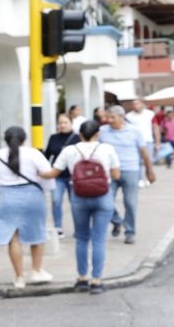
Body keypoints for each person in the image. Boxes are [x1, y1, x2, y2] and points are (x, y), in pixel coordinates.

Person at [39, 120, 120, 294]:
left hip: (79, 197)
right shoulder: (107, 149)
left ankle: (82, 279)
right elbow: (116, 174)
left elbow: (53, 173)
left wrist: (36, 172)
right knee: (99, 239)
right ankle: (96, 280)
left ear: (80, 134)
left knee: (82, 238)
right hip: (103, 197)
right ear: (97, 133)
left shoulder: (69, 150)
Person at [0, 126, 55, 289]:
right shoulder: (34, 153)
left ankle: (19, 277)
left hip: (7, 197)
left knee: (13, 237)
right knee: (37, 233)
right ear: (25, 138)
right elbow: (47, 178)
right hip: (32, 196)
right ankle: (36, 270)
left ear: (5, 139)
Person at [99, 105, 155, 245]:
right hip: (110, 171)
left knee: (130, 203)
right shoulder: (102, 131)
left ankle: (130, 232)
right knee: (105, 202)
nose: (109, 120)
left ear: (122, 117)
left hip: (130, 170)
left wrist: (149, 171)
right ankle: (117, 221)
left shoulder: (135, 131)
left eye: (113, 117)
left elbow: (144, 153)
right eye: (108, 117)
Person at [43, 113, 80, 238]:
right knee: (56, 201)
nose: (62, 125)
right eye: (60, 123)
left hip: (74, 176)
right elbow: (47, 155)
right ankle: (58, 227)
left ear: (71, 123)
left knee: (75, 203)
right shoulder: (53, 138)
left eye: (65, 122)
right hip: (57, 175)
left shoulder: (78, 138)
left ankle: (79, 228)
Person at [126, 98, 159, 187]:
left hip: (148, 140)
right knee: (138, 161)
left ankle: (148, 177)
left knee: (149, 160)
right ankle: (140, 179)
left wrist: (157, 142)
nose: (135, 106)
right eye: (134, 104)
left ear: (142, 104)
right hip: (134, 141)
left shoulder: (150, 114)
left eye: (137, 104)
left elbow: (155, 127)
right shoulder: (129, 116)